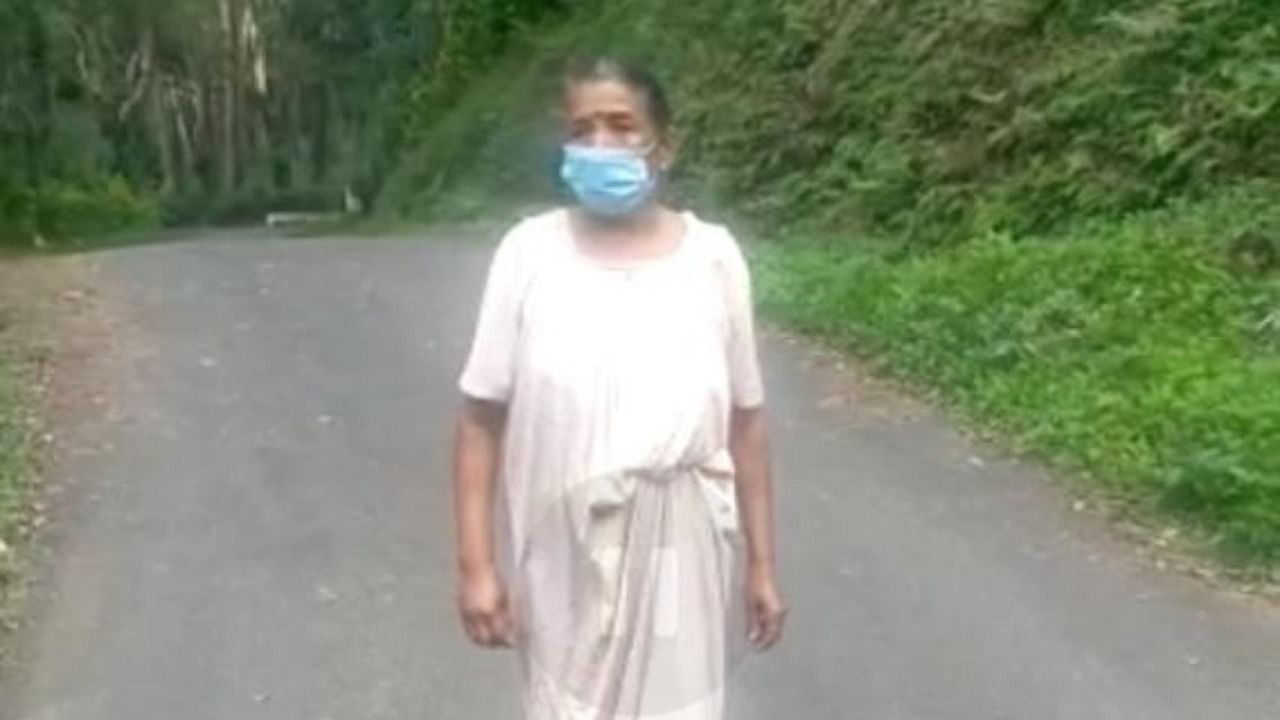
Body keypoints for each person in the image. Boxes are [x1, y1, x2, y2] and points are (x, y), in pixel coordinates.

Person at [452, 54, 787, 720]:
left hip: (679, 544)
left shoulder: (712, 258)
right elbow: (479, 421)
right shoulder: (528, 256)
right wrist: (477, 567)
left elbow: (745, 425)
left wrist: (761, 564)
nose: (600, 143)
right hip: (563, 555)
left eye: (621, 125)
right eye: (583, 129)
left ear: (663, 143)